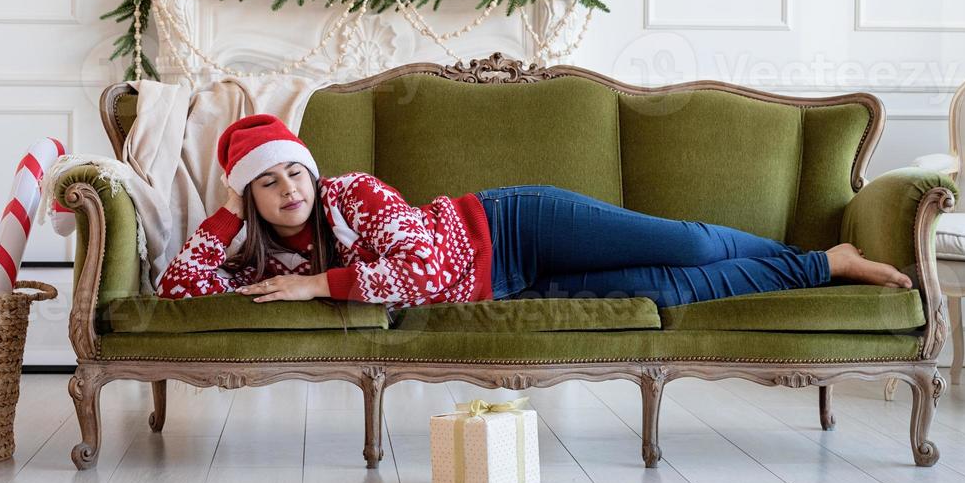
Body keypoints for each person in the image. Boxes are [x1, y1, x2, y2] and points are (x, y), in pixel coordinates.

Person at [155, 113, 913, 309]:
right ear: (250, 197)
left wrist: (321, 285)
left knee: (684, 247)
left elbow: (419, 270)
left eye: (296, 171)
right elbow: (178, 289)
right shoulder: (262, 253)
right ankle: (824, 265)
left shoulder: (353, 191)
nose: (291, 188)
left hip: (512, 226)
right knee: (669, 289)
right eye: (268, 183)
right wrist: (226, 215)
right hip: (507, 290)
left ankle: (818, 256)